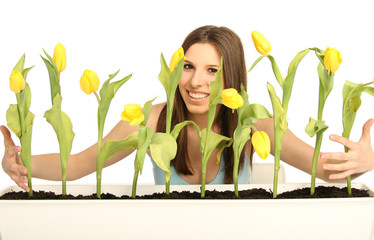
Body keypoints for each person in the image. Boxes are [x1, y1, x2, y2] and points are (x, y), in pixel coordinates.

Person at [1, 25, 374, 192]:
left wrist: (367, 159)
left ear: (232, 75)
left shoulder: (255, 122)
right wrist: (19, 161)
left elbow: (321, 169)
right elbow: (80, 163)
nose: (197, 82)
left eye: (213, 70)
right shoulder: (152, 121)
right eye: (189, 66)